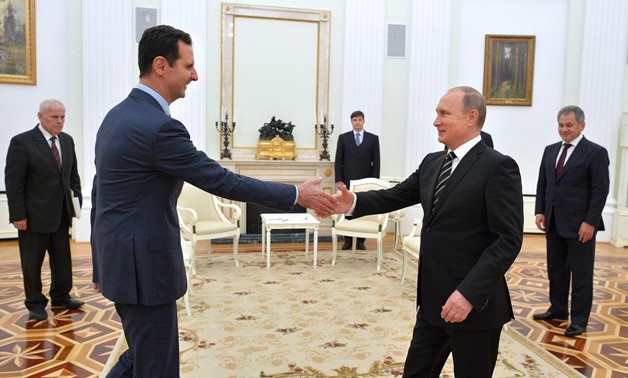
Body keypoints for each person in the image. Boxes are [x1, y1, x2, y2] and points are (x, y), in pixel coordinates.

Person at [90, 25, 336, 377]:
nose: (195, 75)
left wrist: (102, 264)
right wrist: (296, 193)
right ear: (162, 66)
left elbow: (102, 193)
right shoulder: (159, 128)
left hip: (120, 264)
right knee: (156, 366)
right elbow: (222, 180)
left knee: (140, 357)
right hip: (144, 271)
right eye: (188, 66)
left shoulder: (115, 117)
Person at [329, 86, 523, 377]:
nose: (436, 121)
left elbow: (507, 240)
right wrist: (353, 202)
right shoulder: (433, 162)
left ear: (472, 117)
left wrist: (468, 294)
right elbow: (395, 195)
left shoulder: (498, 167)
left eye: (444, 113)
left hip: (475, 306)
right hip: (433, 301)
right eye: (436, 113)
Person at [533, 105, 609, 337]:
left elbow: (600, 190)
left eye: (569, 125)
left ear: (581, 126)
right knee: (555, 269)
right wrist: (540, 211)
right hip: (554, 221)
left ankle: (579, 320)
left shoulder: (595, 152)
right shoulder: (550, 150)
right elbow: (543, 184)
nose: (564, 130)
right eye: (561, 125)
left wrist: (590, 222)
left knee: (581, 275)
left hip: (581, 226)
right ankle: (557, 309)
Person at [5, 99, 84, 321]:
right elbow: (14, 182)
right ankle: (35, 302)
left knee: (62, 259)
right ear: (40, 117)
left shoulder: (67, 141)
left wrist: (75, 201)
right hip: (32, 217)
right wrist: (18, 215)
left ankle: (61, 295)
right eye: (54, 117)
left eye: (63, 117)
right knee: (32, 263)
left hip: (60, 214)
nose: (60, 122)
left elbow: (72, 176)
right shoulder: (22, 142)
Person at [334, 110, 380, 250]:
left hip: (366, 180)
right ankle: (347, 240)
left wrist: (374, 182)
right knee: (347, 208)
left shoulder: (373, 139)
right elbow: (338, 161)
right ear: (351, 122)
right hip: (347, 181)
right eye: (355, 120)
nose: (357, 122)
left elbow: (376, 162)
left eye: (360, 120)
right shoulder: (343, 138)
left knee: (362, 207)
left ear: (363, 121)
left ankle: (361, 241)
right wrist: (339, 180)